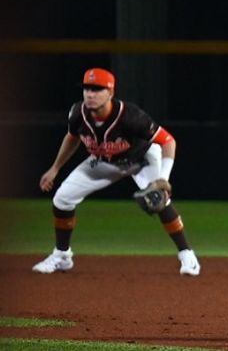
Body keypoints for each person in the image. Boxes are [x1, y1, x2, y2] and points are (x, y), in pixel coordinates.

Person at [33, 67, 200, 276]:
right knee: (62, 199)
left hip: (141, 159)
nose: (90, 94)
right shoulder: (77, 113)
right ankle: (62, 256)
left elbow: (168, 141)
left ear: (111, 92)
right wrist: (55, 168)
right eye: (87, 89)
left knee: (160, 200)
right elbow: (72, 137)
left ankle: (187, 254)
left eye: (97, 89)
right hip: (104, 162)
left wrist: (162, 180)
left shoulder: (130, 116)